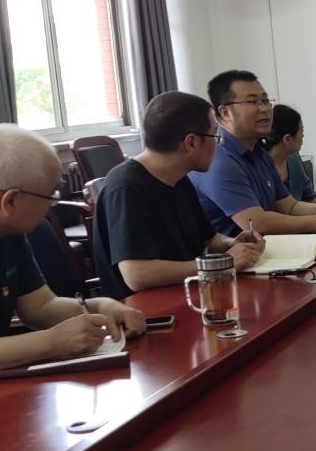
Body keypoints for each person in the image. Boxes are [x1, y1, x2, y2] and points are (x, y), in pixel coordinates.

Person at [0, 124, 145, 377]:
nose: (52, 205)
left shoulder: (7, 230)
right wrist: (48, 343)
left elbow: (40, 307)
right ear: (10, 201)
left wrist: (100, 306)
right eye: (51, 196)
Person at [93, 91, 267, 299]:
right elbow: (137, 274)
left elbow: (208, 240)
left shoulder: (179, 178)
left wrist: (232, 243)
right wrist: (223, 263)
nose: (218, 144)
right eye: (215, 136)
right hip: (147, 310)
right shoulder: (126, 187)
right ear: (191, 142)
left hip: (189, 294)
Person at [189, 70, 316, 236]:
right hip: (234, 252)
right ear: (225, 113)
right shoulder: (219, 158)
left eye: (265, 100)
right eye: (252, 102)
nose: (264, 109)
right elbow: (256, 223)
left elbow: (290, 207)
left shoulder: (260, 154)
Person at [262, 104, 316, 206]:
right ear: (287, 139)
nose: (303, 135)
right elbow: (291, 209)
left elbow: (310, 197)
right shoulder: (261, 167)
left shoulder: (294, 158)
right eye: (301, 131)